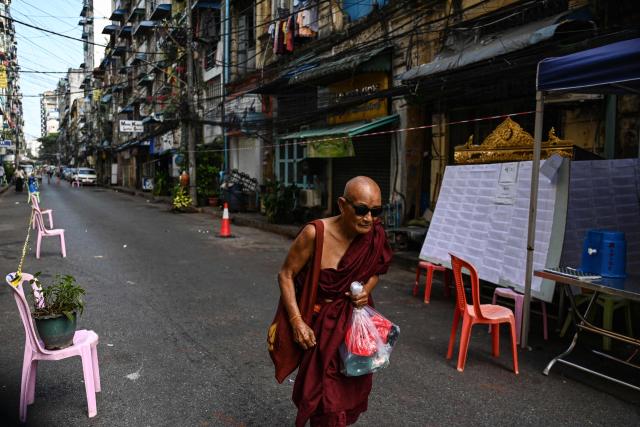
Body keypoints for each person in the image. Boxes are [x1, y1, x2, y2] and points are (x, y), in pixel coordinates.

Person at [277, 176, 393, 427]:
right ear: (342, 205)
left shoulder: (375, 234)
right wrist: (297, 322)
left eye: (376, 211)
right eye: (361, 210)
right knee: (323, 397)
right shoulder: (315, 233)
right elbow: (286, 274)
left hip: (353, 325)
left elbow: (376, 270)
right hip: (322, 328)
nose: (369, 219)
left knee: (351, 387)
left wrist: (365, 290)